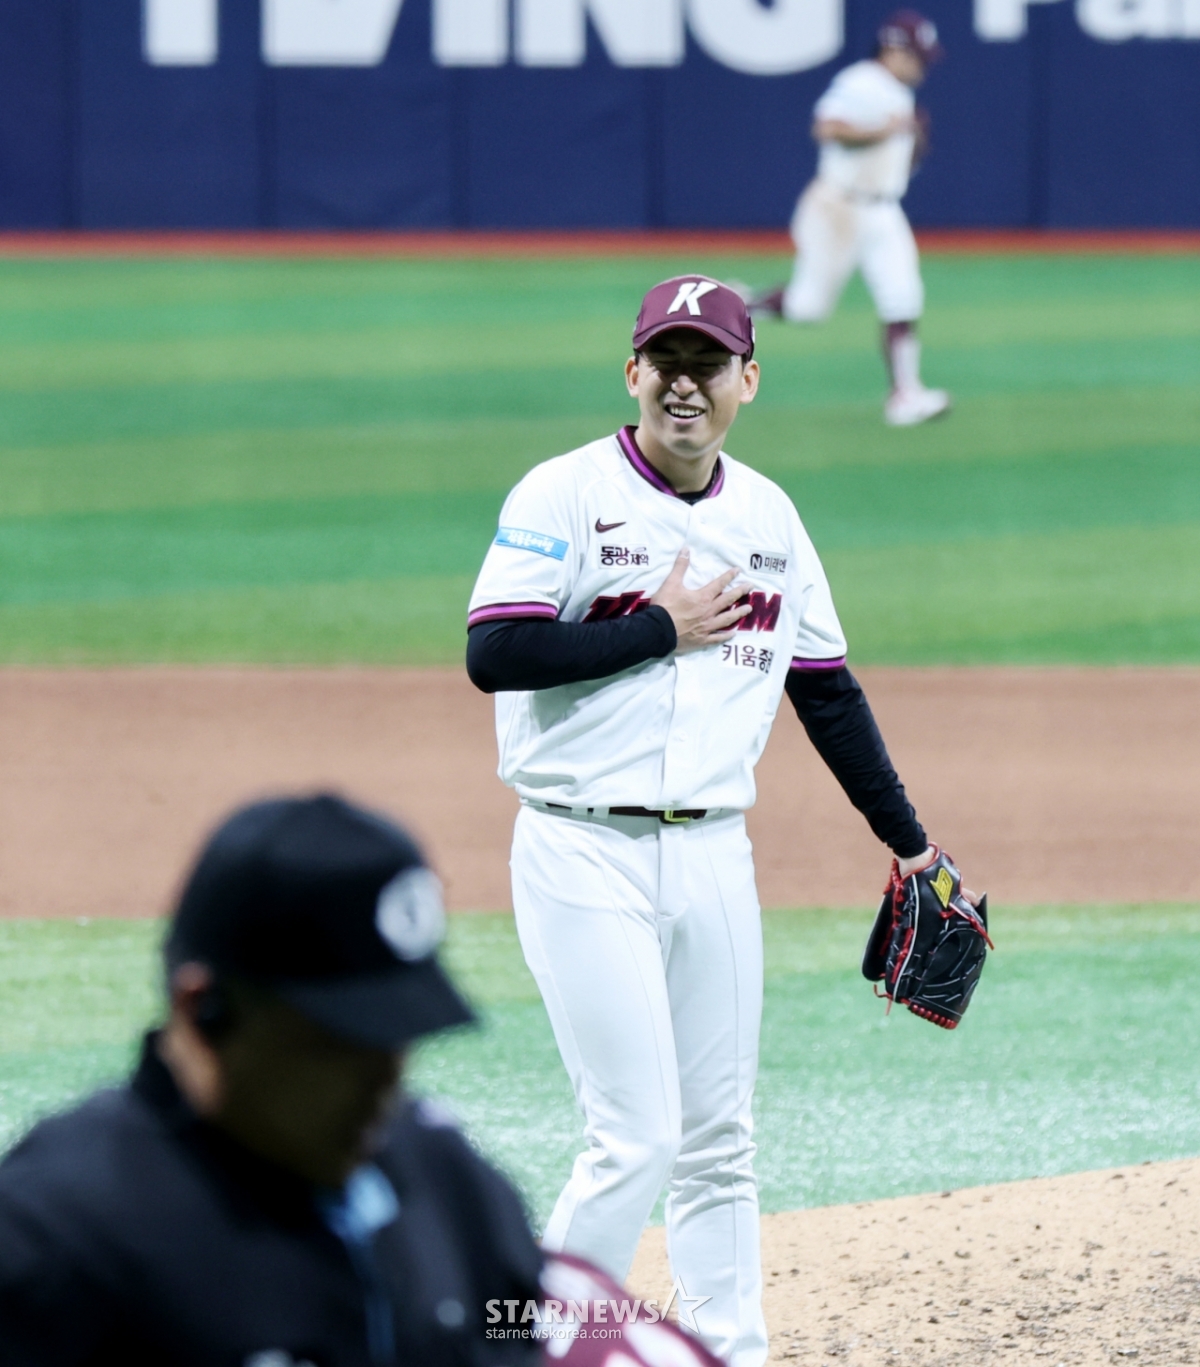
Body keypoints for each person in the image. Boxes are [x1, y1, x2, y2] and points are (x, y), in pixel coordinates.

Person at [465, 274, 974, 1367]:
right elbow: (494, 650)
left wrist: (911, 842)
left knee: (718, 1138)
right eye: (667, 360)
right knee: (635, 1136)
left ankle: (728, 1350)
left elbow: (826, 691)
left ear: (750, 379)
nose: (685, 383)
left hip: (712, 855)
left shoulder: (770, 519)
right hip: (580, 846)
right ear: (632, 372)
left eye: (709, 363)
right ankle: (538, 1348)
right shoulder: (564, 493)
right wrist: (658, 627)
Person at [0, 793, 545, 1366]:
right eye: (338, 1045)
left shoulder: (446, 1177)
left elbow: (517, 1332)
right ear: (202, 1010)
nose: (382, 1083)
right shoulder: (59, 1235)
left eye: (397, 1038)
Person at [750, 10, 949, 427]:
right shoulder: (862, 81)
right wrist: (884, 132)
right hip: (839, 206)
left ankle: (905, 395)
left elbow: (892, 153)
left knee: (903, 296)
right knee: (807, 307)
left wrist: (907, 145)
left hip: (883, 208)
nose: (922, 66)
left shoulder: (897, 90)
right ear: (894, 49)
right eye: (917, 56)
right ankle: (740, 304)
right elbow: (826, 128)